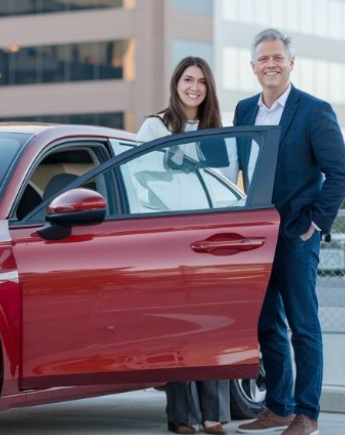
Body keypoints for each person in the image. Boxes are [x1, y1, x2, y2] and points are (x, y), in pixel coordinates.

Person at [234, 29, 345, 435]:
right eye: (263, 58)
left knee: (303, 326)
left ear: (290, 63)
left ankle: (307, 413)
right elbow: (238, 170)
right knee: (267, 325)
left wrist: (315, 224)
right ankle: (278, 406)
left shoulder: (314, 111)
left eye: (278, 57)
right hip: (257, 237)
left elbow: (340, 174)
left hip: (297, 235)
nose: (271, 63)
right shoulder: (244, 110)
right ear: (253, 66)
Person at [136, 56, 229, 435]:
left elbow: (226, 185)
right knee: (179, 326)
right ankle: (182, 417)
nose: (194, 87)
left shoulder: (216, 132)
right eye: (188, 79)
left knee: (215, 326)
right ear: (176, 83)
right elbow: (137, 180)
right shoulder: (155, 126)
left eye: (202, 82)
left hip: (211, 239)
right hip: (171, 238)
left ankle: (214, 415)